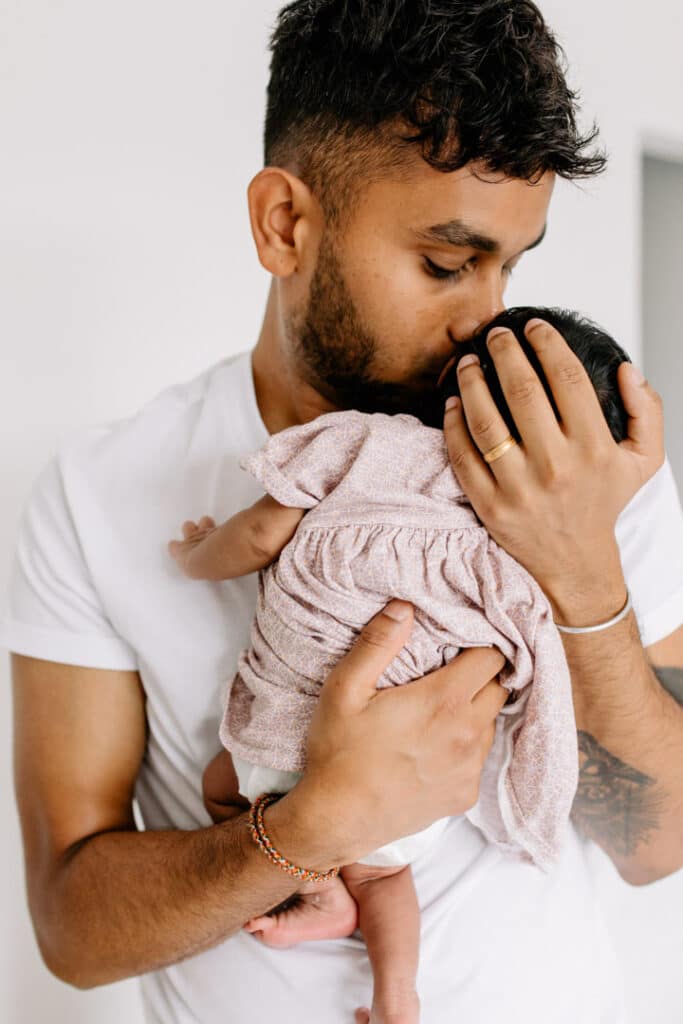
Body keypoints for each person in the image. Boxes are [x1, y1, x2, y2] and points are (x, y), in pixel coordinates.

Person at [4, 3, 683, 1023]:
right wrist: (313, 823)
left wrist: (579, 568)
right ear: (286, 223)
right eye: (446, 264)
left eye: (510, 265)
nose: (482, 318)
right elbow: (72, 928)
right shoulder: (100, 493)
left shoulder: (570, 463)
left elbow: (655, 844)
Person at [168, 307, 632, 1024]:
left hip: (270, 739)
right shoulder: (521, 549)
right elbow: (533, 662)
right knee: (387, 878)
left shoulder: (363, 442)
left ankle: (314, 886)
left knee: (221, 790)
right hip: (408, 777)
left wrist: (197, 553)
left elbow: (259, 533)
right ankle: (394, 997)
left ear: (453, 384)